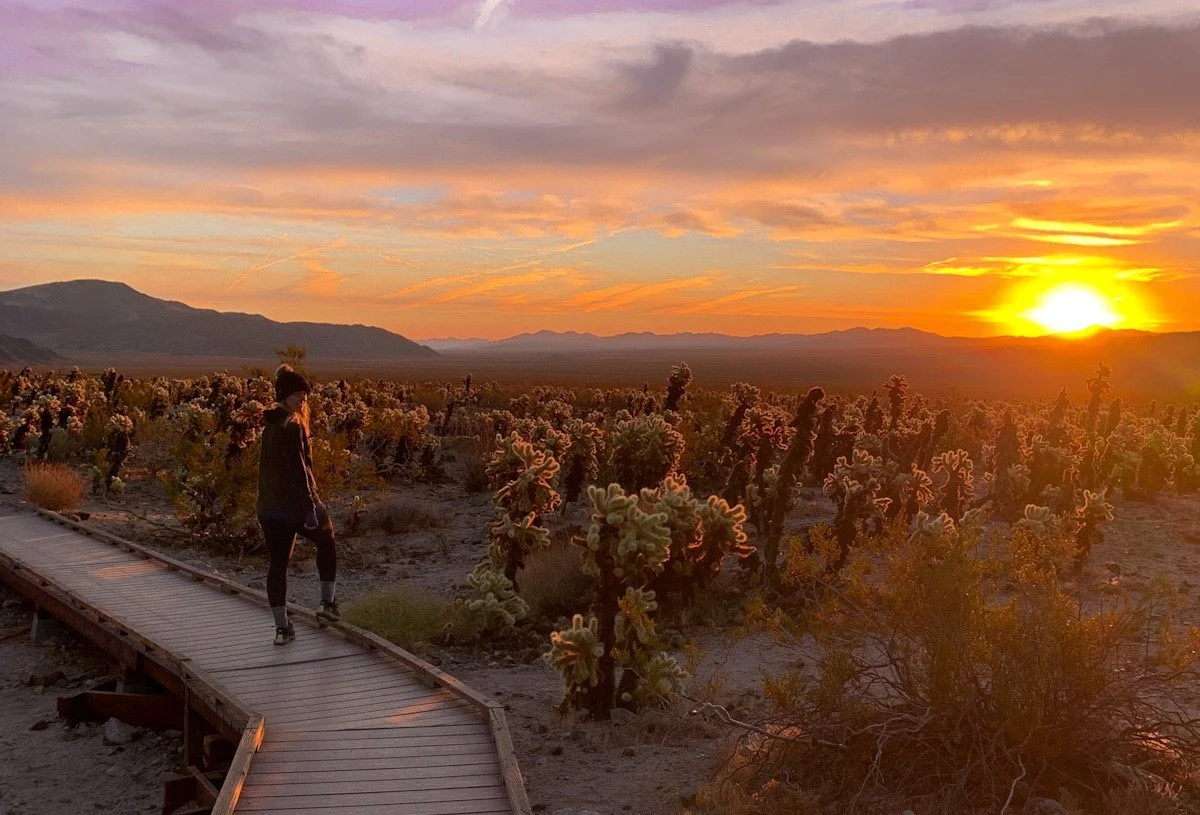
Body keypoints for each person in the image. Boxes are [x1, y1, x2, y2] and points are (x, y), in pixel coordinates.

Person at [256, 364, 340, 645]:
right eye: (296, 394)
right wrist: (309, 508)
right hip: (293, 504)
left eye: (304, 394)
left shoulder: (269, 423)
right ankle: (327, 604)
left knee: (278, 563)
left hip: (268, 507)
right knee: (326, 538)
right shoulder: (292, 426)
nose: (302, 399)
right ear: (283, 395)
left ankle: (282, 629)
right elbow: (299, 469)